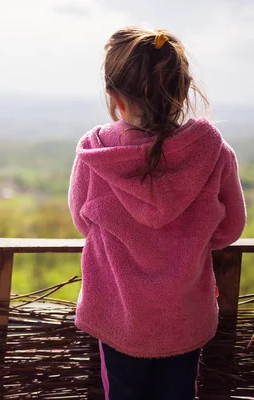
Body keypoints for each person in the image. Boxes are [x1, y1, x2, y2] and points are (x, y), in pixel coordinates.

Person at [68, 26, 247, 400]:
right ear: (183, 90)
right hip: (184, 315)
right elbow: (230, 228)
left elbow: (82, 220)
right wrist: (190, 239)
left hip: (118, 312)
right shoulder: (212, 150)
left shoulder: (96, 151)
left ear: (114, 96)